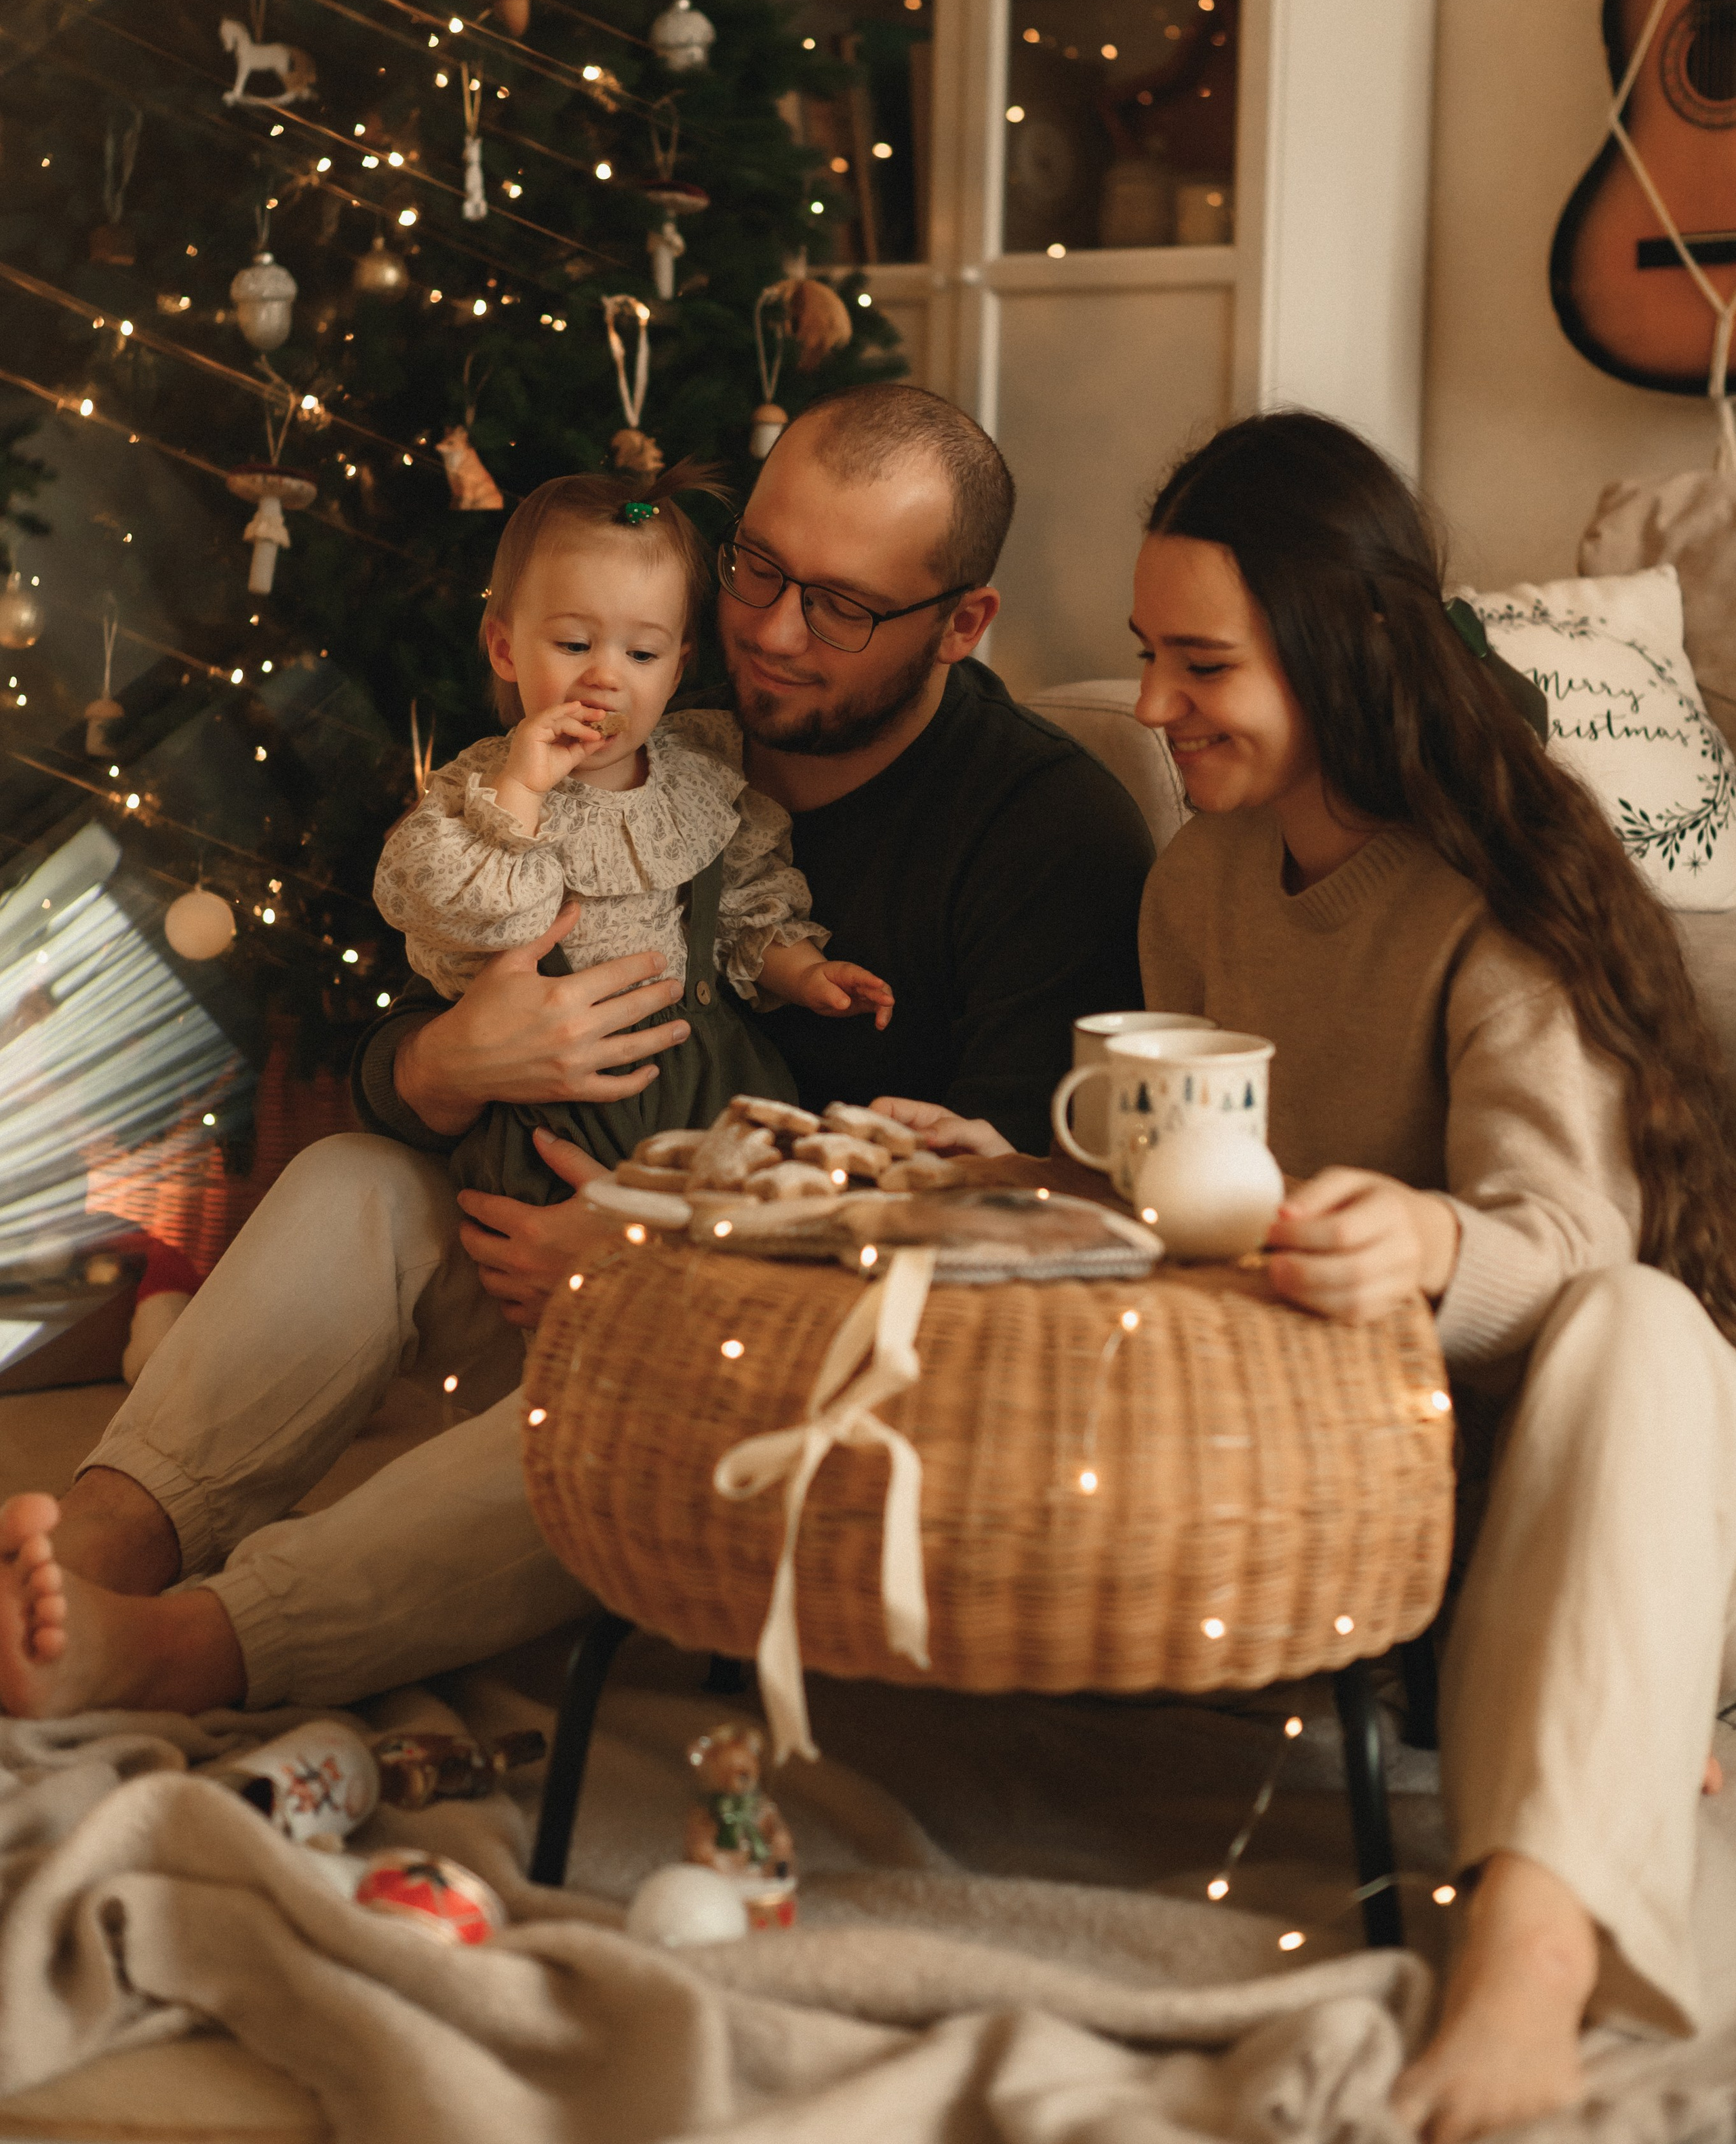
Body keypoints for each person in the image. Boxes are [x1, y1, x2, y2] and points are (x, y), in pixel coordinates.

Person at [0, 384, 1153, 1722]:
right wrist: (442, 1065)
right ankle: (89, 1559)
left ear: (963, 623)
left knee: (624, 1404)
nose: (768, 632)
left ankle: (183, 1652)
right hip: (531, 1245)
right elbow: (418, 1008)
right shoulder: (656, 711)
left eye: (837, 605)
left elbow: (1015, 1222)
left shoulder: (1045, 835)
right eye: (757, 569)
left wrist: (673, 1268)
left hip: (786, 1366)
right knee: (352, 1181)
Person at [894, 411, 1736, 2144]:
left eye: (1199, 661)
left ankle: (1527, 1951)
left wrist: (1425, 1240)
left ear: (1344, 653)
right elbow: (1188, 1197)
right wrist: (1023, 1176)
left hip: (1566, 1462)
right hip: (1315, 1459)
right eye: (1144, 656)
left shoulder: (1490, 895)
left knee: (1646, 1322)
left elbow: (1574, 1261)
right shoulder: (1198, 876)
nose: (1147, 705)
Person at [374, 457, 890, 1209]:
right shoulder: (480, 789)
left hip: (702, 1078)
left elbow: (740, 909)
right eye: (574, 645)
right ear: (505, 648)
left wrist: (806, 972)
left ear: (678, 670)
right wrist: (521, 791)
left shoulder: (698, 779)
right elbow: (468, 915)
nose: (605, 678)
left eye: (640, 653)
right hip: (553, 1097)